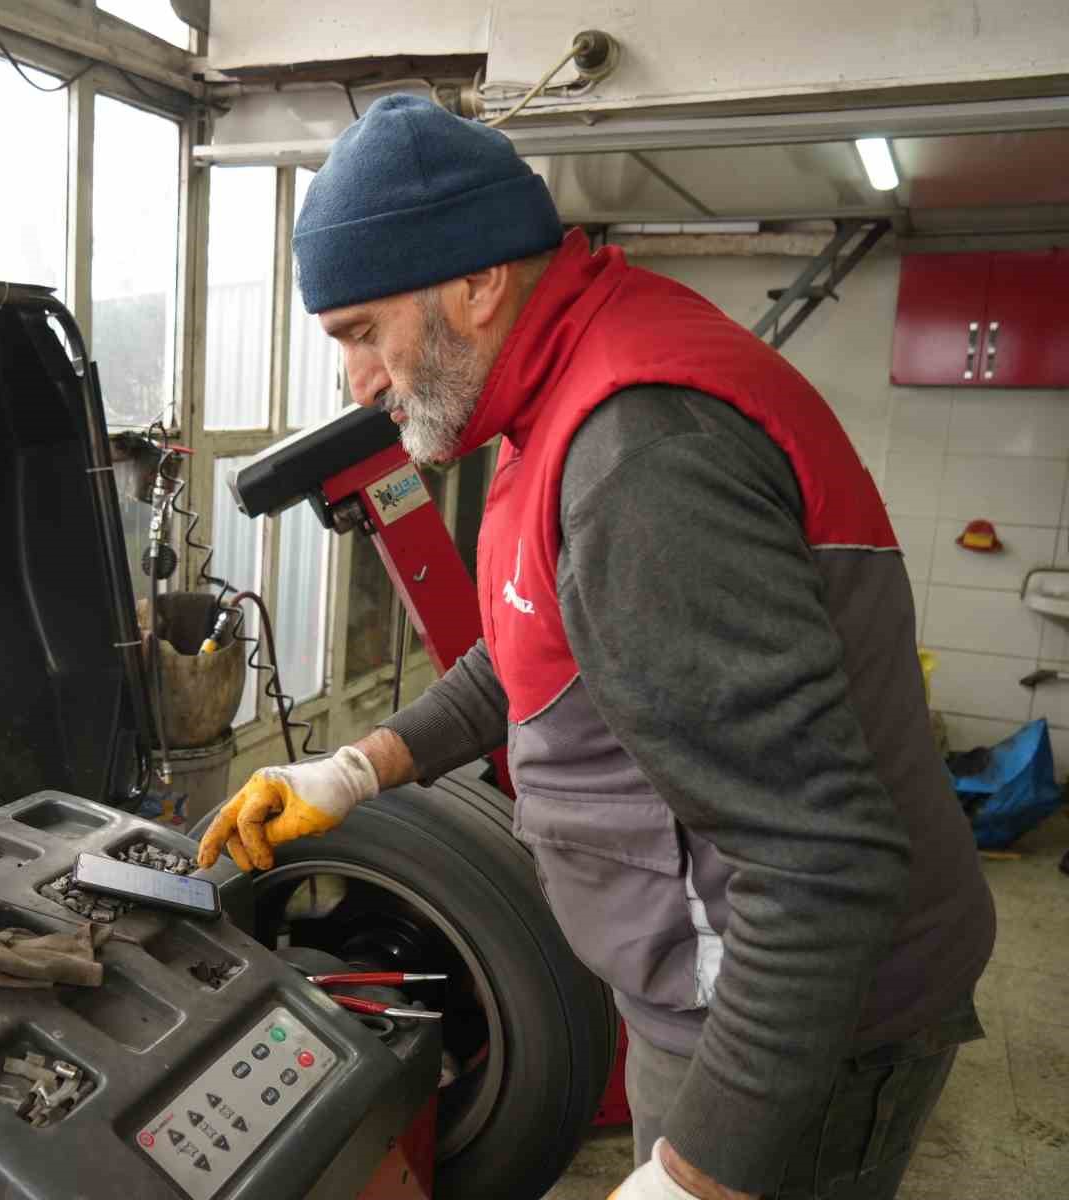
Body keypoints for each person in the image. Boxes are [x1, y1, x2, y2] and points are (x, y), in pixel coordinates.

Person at [196, 95, 995, 1200]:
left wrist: (698, 1171)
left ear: (475, 284)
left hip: (791, 1021)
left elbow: (821, 865)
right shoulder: (563, 391)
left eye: (362, 333)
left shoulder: (640, 459)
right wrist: (354, 768)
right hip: (708, 983)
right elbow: (539, 649)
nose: (360, 383)